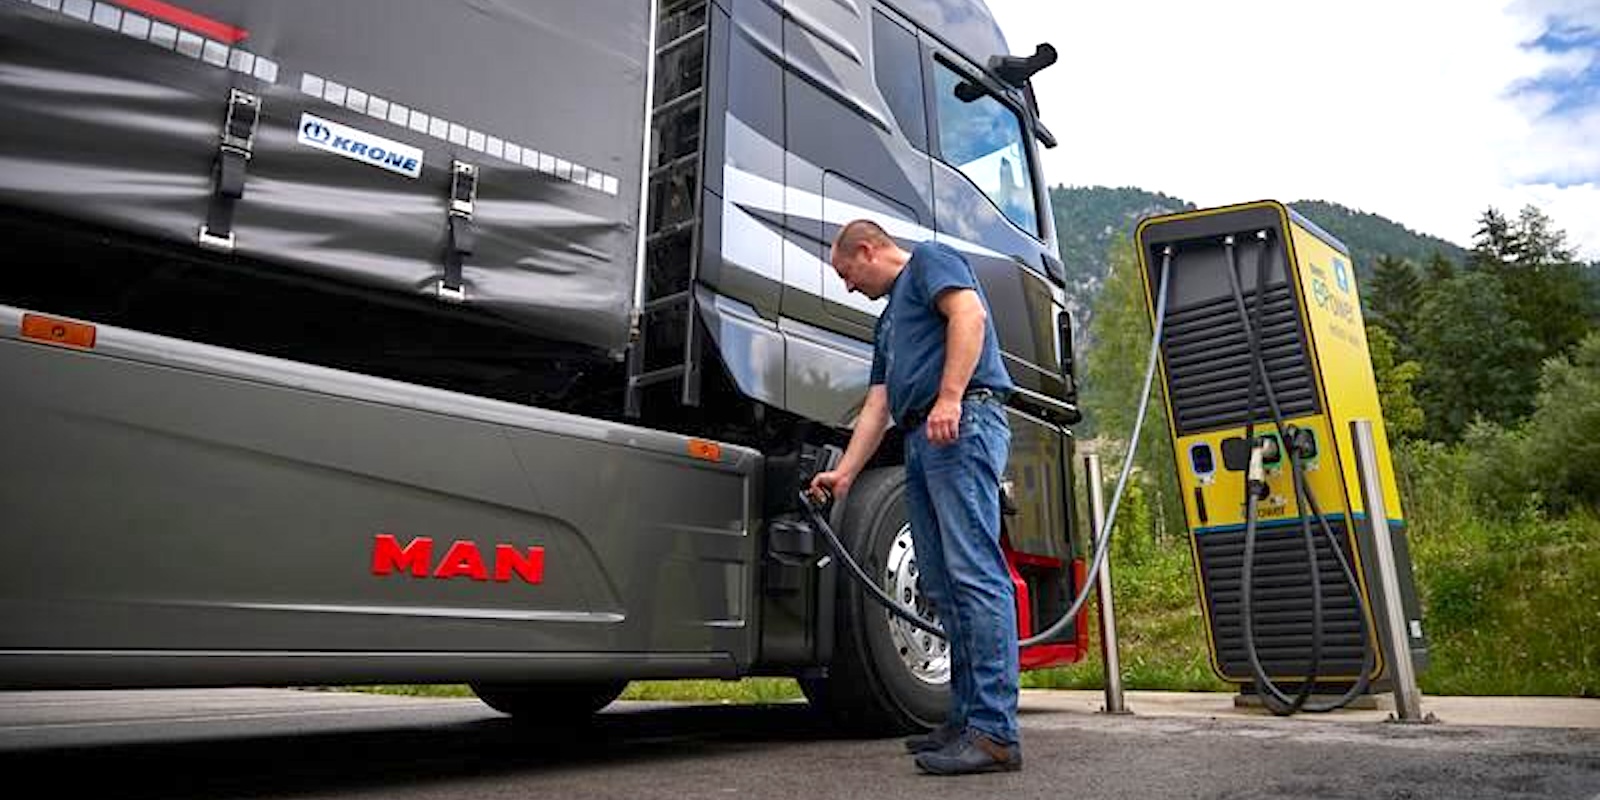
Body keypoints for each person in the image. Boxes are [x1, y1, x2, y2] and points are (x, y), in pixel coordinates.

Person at [808, 219, 1020, 775]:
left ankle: (995, 731)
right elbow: (878, 404)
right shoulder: (887, 326)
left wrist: (950, 398)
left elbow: (968, 315)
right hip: (923, 439)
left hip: (963, 420)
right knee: (942, 583)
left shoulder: (931, 260)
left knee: (975, 574)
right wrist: (847, 474)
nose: (847, 286)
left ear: (868, 249)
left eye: (846, 273)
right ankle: (967, 719)